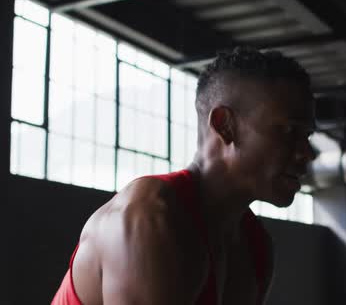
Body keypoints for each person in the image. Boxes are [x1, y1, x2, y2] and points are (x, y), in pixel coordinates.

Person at [51, 47, 316, 305]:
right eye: (289, 131)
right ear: (225, 125)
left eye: (307, 136)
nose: (306, 153)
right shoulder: (149, 216)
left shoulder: (255, 245)